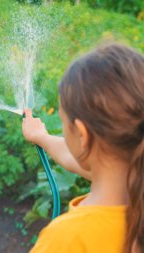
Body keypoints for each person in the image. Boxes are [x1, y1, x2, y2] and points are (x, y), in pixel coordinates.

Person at [22, 43, 144, 253]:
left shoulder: (66, 240)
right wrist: (42, 138)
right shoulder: (133, 180)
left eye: (63, 121)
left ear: (82, 134)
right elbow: (80, 159)